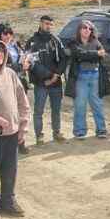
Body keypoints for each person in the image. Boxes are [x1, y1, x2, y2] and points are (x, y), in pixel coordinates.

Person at [0, 41, 30, 219]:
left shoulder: (11, 74)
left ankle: (8, 201)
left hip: (12, 133)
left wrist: (23, 126)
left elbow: (22, 101)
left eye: (1, 51)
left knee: (10, 169)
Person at [26, 15, 67, 146]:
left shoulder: (56, 40)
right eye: (46, 23)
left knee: (56, 109)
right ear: (40, 24)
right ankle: (39, 136)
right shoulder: (32, 42)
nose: (48, 26)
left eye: (50, 24)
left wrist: (56, 75)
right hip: (40, 83)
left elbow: (64, 59)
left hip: (56, 82)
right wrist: (48, 76)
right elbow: (31, 63)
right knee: (38, 111)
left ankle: (57, 132)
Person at [65, 20, 109, 139]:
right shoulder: (73, 43)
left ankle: (101, 130)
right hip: (80, 77)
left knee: (97, 104)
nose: (87, 30)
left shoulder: (96, 41)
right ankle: (80, 131)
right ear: (79, 30)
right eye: (84, 28)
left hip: (95, 77)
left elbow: (103, 54)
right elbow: (80, 54)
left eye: (89, 28)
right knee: (80, 105)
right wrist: (96, 54)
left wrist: (94, 54)